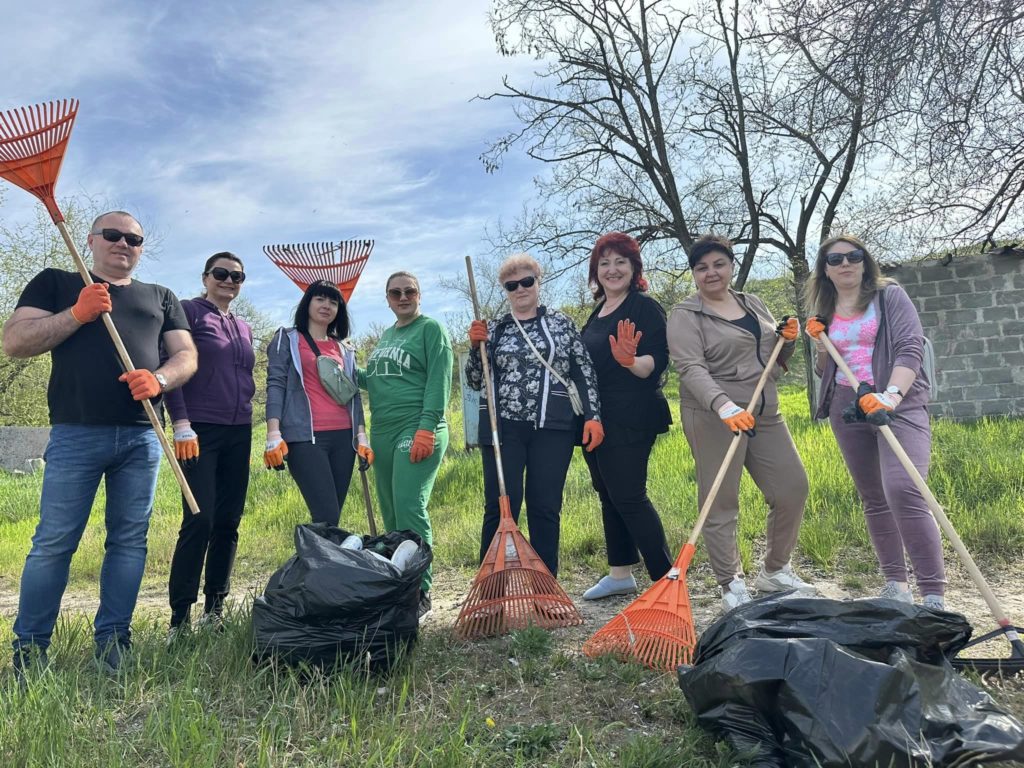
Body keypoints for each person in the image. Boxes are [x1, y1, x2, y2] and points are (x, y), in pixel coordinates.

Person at [2, 211, 197, 675]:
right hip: (75, 433)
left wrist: (160, 378)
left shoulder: (161, 296)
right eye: (112, 235)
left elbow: (187, 355)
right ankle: (29, 653)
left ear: (141, 248)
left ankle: (113, 644)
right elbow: (15, 341)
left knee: (130, 541)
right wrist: (77, 313)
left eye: (134, 238)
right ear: (91, 240)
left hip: (142, 434)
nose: (122, 243)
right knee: (53, 542)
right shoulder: (56, 281)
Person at [667, 234, 812, 611]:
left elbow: (771, 360)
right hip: (714, 416)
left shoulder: (753, 303)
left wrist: (787, 341)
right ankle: (730, 583)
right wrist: (724, 406)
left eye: (718, 264)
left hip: (764, 412)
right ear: (694, 274)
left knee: (792, 487)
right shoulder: (685, 314)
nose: (711, 273)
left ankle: (775, 571)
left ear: (731, 265)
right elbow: (690, 367)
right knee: (721, 501)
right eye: (701, 267)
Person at [804, 235, 945, 609]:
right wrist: (821, 348)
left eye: (854, 256)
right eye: (835, 259)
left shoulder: (889, 295)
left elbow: (910, 347)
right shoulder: (826, 309)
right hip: (846, 407)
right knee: (874, 498)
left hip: (894, 400)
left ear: (865, 262)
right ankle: (896, 587)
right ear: (826, 270)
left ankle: (932, 594)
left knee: (904, 488)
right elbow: (825, 369)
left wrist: (892, 396)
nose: (845, 263)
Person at [466, 254, 604, 579]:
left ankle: (546, 587)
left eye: (527, 281)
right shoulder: (495, 329)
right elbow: (475, 380)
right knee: (500, 508)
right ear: (505, 290)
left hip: (552, 429)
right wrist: (476, 347)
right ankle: (491, 588)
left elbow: (584, 371)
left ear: (538, 283)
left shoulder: (561, 323)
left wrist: (593, 416)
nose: (520, 289)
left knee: (545, 507)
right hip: (504, 431)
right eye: (511, 285)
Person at [164, 252, 256, 639]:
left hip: (240, 429)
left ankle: (215, 609)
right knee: (199, 518)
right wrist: (181, 422)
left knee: (228, 521)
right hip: (199, 429)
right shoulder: (189, 312)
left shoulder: (245, 327)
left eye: (237, 276)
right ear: (205, 277)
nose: (229, 280)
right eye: (221, 273)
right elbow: (173, 364)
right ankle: (180, 619)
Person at [578, 233, 673, 599]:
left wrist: (631, 361)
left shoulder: (643, 307)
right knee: (607, 494)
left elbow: (656, 362)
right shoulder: (598, 310)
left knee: (629, 495)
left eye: (620, 262)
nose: (612, 269)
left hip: (631, 414)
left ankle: (665, 579)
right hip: (594, 417)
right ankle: (620, 573)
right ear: (595, 271)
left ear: (634, 267)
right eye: (604, 263)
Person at [360, 272, 452, 622]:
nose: (402, 297)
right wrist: (345, 370)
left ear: (419, 294)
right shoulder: (386, 336)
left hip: (416, 426)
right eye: (395, 292)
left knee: (409, 506)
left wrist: (426, 428)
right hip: (382, 430)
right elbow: (378, 381)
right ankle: (400, 582)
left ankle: (421, 590)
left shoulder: (430, 329)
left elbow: (438, 380)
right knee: (391, 514)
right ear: (386, 299)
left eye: (409, 291)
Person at [264, 280, 371, 528]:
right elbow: (276, 384)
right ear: (307, 303)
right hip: (306, 439)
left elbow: (352, 394)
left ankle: (322, 564)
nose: (327, 306)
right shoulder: (287, 339)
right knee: (326, 515)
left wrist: (362, 437)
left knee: (331, 519)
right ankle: (311, 564)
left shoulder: (344, 348)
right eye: (320, 299)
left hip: (344, 439)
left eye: (333, 302)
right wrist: (273, 433)